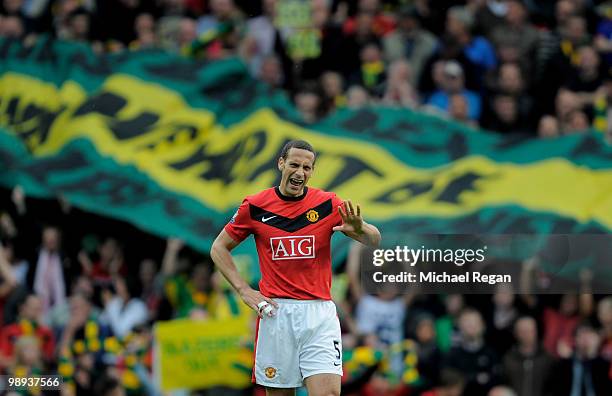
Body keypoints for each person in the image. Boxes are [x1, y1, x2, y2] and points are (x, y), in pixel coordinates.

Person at [210, 140, 381, 396]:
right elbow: (218, 248)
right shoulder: (255, 206)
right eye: (294, 164)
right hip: (277, 314)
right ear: (281, 164)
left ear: (312, 171)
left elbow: (374, 239)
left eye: (307, 167)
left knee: (329, 393)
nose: (300, 172)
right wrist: (244, 290)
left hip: (319, 313)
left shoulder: (327, 204)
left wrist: (360, 230)